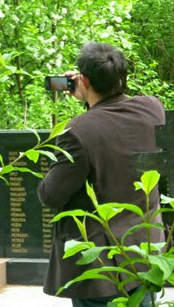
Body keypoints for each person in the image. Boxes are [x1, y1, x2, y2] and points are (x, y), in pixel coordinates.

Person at [37, 41, 166, 307]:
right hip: (145, 255)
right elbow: (114, 116)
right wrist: (91, 94)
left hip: (101, 267)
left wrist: (87, 98)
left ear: (83, 80)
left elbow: (51, 195)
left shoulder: (76, 132)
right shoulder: (153, 108)